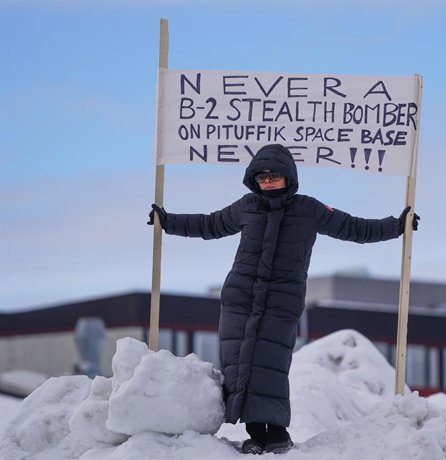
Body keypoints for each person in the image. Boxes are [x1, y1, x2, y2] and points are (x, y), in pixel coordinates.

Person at [147, 144, 419, 454]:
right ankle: (254, 433)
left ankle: (276, 432)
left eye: (274, 175)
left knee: (271, 364)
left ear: (288, 177)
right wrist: (166, 221)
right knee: (240, 364)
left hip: (281, 301)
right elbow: (210, 224)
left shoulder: (309, 209)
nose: (268, 181)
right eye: (261, 176)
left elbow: (354, 227)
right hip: (240, 298)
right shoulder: (246, 206)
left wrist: (397, 226)